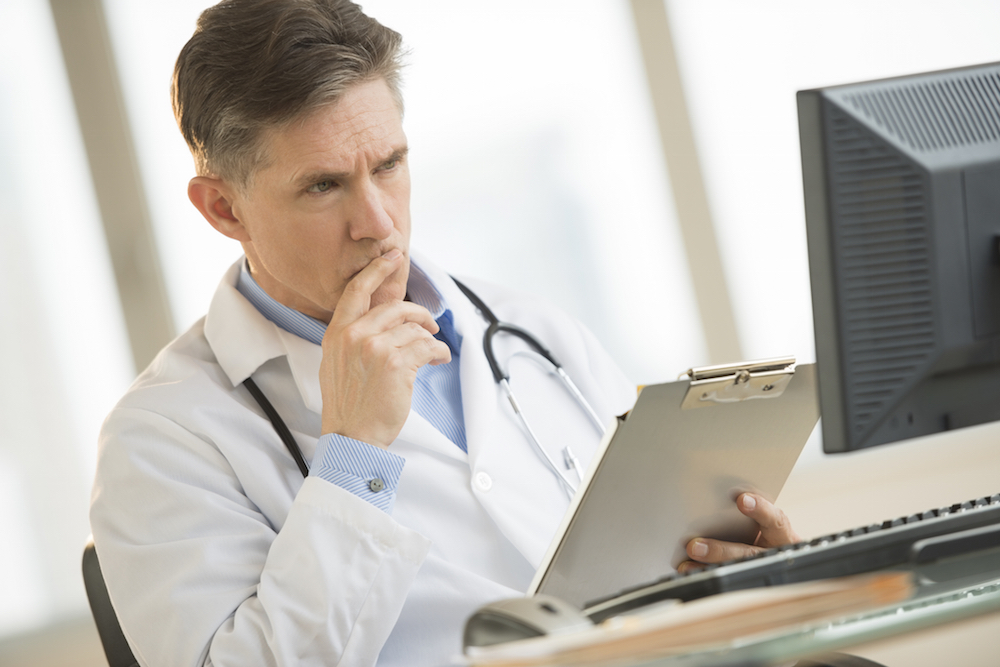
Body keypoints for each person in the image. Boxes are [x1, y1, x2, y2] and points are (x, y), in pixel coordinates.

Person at [89, 1, 799, 665]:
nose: (378, 222)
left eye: (389, 165)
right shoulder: (161, 440)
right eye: (323, 186)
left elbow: (658, 574)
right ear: (223, 208)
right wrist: (353, 455)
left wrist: (744, 573)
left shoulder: (530, 331)